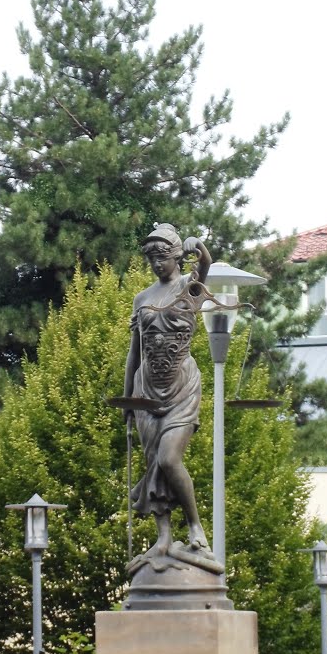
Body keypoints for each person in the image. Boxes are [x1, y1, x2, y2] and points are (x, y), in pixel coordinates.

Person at [123, 223, 222, 576]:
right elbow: (133, 352)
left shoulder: (188, 286)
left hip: (181, 386)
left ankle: (196, 528)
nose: (156, 263)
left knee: (168, 458)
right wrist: (127, 399)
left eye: (162, 256)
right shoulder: (142, 298)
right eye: (151, 257)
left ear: (176, 256)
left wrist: (201, 248)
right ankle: (163, 537)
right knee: (153, 464)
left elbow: (206, 266)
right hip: (146, 390)